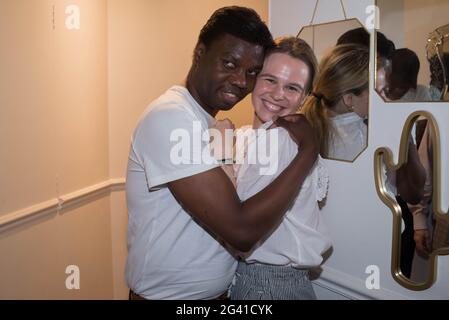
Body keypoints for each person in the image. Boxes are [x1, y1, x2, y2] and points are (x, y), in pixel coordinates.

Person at [125, 6, 319, 300]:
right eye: (229, 63)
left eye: (253, 71)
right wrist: (309, 150)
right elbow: (241, 231)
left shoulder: (210, 125)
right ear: (200, 54)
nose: (241, 80)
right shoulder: (170, 117)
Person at [224, 37, 331, 300]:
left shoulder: (279, 140)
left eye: (292, 88)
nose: (278, 94)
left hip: (267, 284)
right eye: (270, 80)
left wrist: (222, 153)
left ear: (304, 97)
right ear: (254, 79)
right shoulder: (251, 135)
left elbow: (235, 222)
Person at [301, 44, 369, 162]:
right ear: (349, 99)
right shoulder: (365, 137)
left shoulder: (306, 124)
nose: (381, 98)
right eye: (375, 91)